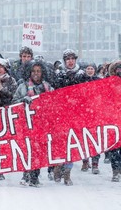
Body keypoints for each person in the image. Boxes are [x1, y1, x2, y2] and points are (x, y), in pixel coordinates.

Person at [12, 60, 54, 187]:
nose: (36, 74)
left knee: (39, 150)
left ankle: (35, 176)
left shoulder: (48, 87)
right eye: (33, 71)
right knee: (27, 149)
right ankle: (26, 174)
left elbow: (55, 103)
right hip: (26, 124)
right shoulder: (23, 86)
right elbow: (14, 102)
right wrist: (22, 101)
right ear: (29, 73)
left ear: (42, 73)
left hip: (42, 125)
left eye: (38, 71)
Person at [53, 49, 84, 186]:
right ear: (65, 61)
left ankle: (67, 174)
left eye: (72, 58)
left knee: (72, 145)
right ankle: (57, 166)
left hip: (76, 115)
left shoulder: (82, 74)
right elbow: (55, 93)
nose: (70, 61)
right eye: (68, 59)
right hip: (61, 114)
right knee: (60, 143)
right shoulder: (58, 75)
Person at [107, 60, 121, 182]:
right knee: (114, 147)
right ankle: (115, 170)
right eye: (118, 69)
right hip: (113, 120)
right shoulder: (108, 83)